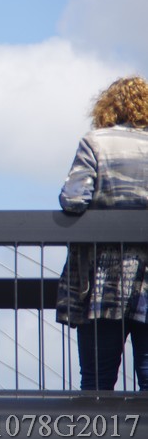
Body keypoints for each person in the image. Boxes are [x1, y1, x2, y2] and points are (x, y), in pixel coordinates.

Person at [57, 76, 148, 391]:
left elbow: (73, 199)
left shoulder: (95, 142)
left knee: (97, 381)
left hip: (102, 278)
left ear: (108, 107)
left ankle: (95, 425)